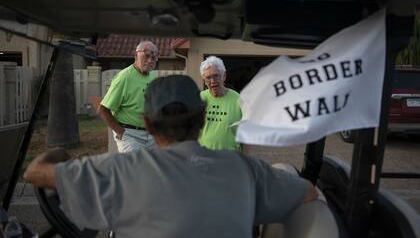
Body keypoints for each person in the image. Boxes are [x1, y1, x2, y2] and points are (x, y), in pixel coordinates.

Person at [23, 75, 318, 238]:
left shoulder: (119, 169)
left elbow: (35, 172)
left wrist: (61, 151)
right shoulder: (244, 169)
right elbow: (307, 192)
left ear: (147, 124)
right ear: (203, 118)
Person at [97, 40, 158, 152]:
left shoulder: (152, 75)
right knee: (132, 167)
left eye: (153, 58)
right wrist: (121, 132)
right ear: (135, 55)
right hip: (130, 135)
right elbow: (102, 110)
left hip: (150, 134)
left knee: (150, 168)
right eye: (146, 56)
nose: (150, 61)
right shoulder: (124, 78)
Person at [199, 56, 243, 150]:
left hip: (230, 158)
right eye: (208, 77)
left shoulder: (239, 100)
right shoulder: (198, 99)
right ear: (204, 80)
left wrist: (247, 161)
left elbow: (246, 135)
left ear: (224, 76)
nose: (212, 81)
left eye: (216, 76)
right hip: (204, 158)